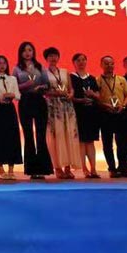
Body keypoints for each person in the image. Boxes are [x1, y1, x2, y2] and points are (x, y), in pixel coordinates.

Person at [13, 41, 53, 180]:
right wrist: (26, 85)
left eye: (30, 50)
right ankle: (31, 169)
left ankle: (43, 169)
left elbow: (47, 84)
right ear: (21, 53)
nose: (27, 53)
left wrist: (41, 87)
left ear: (33, 52)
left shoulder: (40, 67)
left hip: (39, 101)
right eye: (24, 50)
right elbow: (14, 87)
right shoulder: (17, 69)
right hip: (25, 101)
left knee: (41, 135)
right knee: (28, 135)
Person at [42, 47, 81, 179]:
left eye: (55, 56)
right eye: (50, 56)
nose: (53, 58)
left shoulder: (65, 72)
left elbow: (71, 89)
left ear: (58, 57)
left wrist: (70, 95)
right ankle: (57, 168)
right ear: (46, 58)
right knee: (56, 137)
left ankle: (68, 168)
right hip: (53, 108)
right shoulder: (44, 73)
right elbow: (44, 91)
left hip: (67, 107)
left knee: (69, 135)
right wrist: (55, 93)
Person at [0, 55, 22, 180]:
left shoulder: (12, 78)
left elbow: (18, 95)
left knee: (12, 138)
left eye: (4, 63)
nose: (2, 66)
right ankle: (1, 169)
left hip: (9, 109)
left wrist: (12, 95)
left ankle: (11, 169)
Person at [97, 55, 127, 178]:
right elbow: (96, 98)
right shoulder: (98, 80)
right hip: (106, 115)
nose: (109, 66)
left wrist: (123, 105)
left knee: (122, 142)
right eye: (106, 63)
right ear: (101, 65)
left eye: (111, 63)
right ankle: (112, 169)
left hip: (120, 113)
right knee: (107, 144)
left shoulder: (121, 79)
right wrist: (105, 105)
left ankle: (123, 168)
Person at [70, 53, 101, 179]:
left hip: (91, 113)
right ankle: (84, 169)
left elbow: (98, 95)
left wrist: (92, 94)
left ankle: (93, 168)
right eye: (78, 60)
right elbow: (70, 96)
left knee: (91, 141)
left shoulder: (92, 78)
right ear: (74, 62)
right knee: (82, 141)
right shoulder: (71, 77)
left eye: (83, 60)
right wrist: (80, 100)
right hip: (78, 112)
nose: (81, 62)